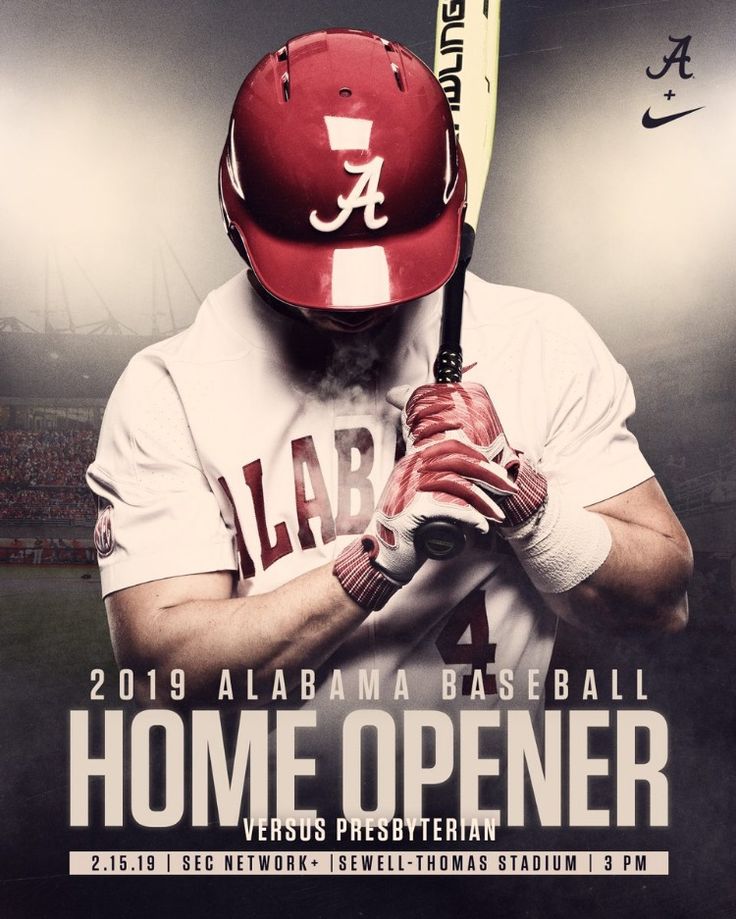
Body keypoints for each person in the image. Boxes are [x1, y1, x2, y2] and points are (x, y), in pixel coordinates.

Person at [87, 29, 691, 811]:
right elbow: (165, 679)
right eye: (319, 276)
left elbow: (664, 603)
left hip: (490, 842)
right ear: (236, 219)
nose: (359, 301)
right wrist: (375, 557)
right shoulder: (167, 387)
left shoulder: (539, 339)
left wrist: (522, 496)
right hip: (270, 854)